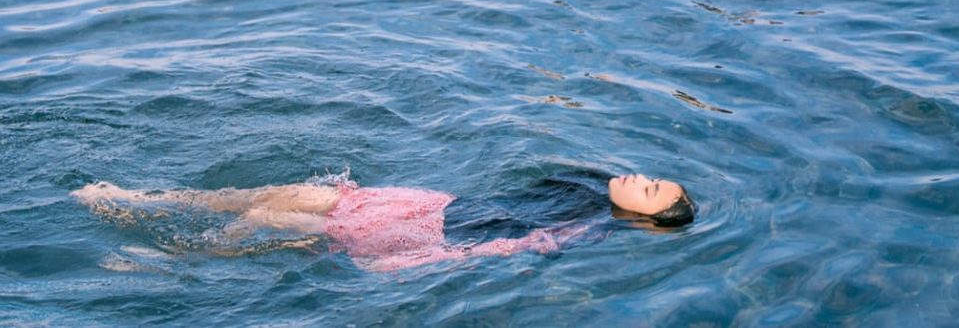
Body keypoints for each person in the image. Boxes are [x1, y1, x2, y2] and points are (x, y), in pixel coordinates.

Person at [74, 171, 695, 272]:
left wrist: (412, 260)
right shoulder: (583, 186)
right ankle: (145, 199)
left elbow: (509, 251)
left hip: (431, 233)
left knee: (271, 221)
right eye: (653, 175)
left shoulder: (582, 230)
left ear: (645, 220)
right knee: (283, 193)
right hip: (434, 203)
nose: (642, 179)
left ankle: (172, 261)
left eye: (653, 190)